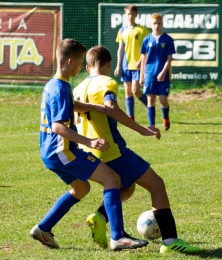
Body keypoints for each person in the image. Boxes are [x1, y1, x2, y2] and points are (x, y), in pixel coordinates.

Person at [73, 45, 200, 254]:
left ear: (87, 67)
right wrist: (142, 129)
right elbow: (111, 107)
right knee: (157, 185)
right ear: (109, 64)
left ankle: (100, 216)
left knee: (126, 187)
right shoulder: (107, 82)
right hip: (111, 150)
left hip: (90, 151)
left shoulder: (78, 88)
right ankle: (170, 241)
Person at [29, 38, 148, 251]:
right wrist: (89, 141)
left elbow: (72, 105)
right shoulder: (59, 88)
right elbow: (58, 127)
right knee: (112, 179)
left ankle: (43, 228)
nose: (81, 66)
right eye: (80, 61)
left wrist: (93, 106)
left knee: (81, 188)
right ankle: (118, 236)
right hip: (62, 150)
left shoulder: (56, 84)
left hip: (50, 151)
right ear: (70, 60)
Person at [140, 13, 176, 131]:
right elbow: (143, 59)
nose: (156, 25)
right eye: (154, 23)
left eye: (159, 23)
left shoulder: (168, 39)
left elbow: (169, 58)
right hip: (149, 74)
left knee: (163, 100)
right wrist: (142, 75)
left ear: (162, 24)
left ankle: (165, 117)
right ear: (151, 24)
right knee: (150, 100)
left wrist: (163, 72)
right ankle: (152, 125)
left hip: (163, 75)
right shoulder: (146, 40)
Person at [114, 4, 149, 121]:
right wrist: (118, 65)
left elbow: (147, 48)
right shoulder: (122, 30)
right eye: (128, 14)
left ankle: (148, 103)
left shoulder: (142, 30)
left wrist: (140, 61)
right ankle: (131, 117)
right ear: (125, 15)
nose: (130, 16)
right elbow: (120, 48)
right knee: (128, 92)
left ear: (136, 15)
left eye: (132, 14)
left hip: (137, 65)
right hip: (125, 65)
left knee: (135, 90)